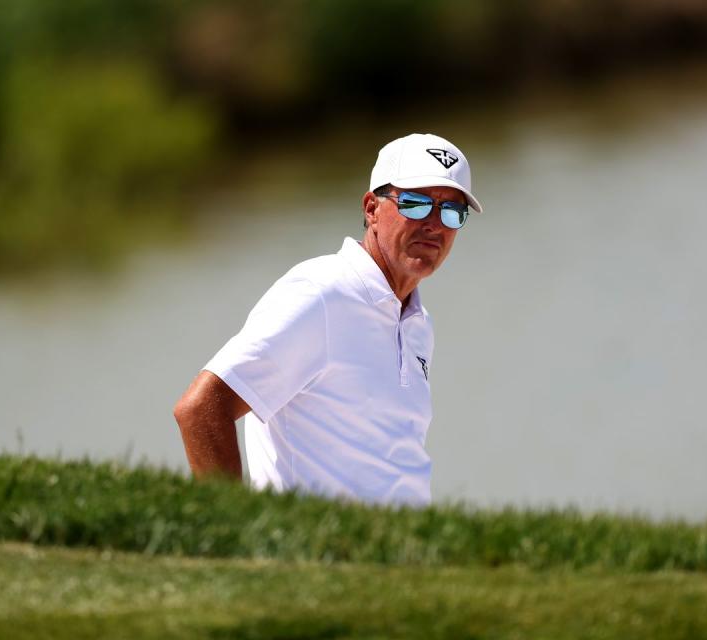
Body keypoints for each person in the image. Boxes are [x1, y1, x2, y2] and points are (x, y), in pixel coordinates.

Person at [173, 133, 483, 506]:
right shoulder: (320, 293)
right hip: (318, 556)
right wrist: (230, 536)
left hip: (403, 557)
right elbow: (201, 409)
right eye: (416, 204)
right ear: (371, 208)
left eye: (452, 212)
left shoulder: (417, 321)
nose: (434, 224)